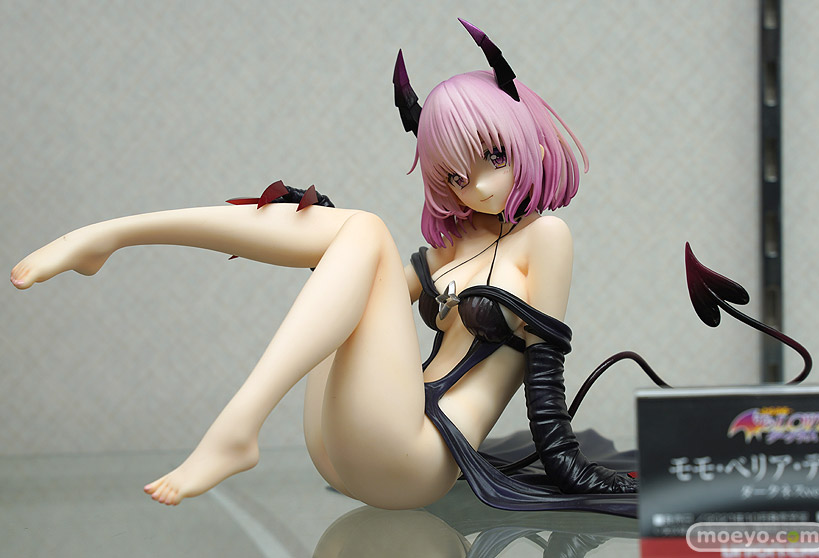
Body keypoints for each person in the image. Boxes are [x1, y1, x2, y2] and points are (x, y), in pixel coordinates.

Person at [10, 20, 636, 514]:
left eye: (492, 155)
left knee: (364, 231)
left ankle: (234, 426)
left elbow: (545, 385)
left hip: (418, 458)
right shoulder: (456, 243)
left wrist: (574, 475)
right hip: (345, 446)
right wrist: (328, 240)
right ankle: (112, 236)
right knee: (352, 236)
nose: (475, 187)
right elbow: (359, 294)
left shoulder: (547, 238)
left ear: (524, 134)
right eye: (453, 175)